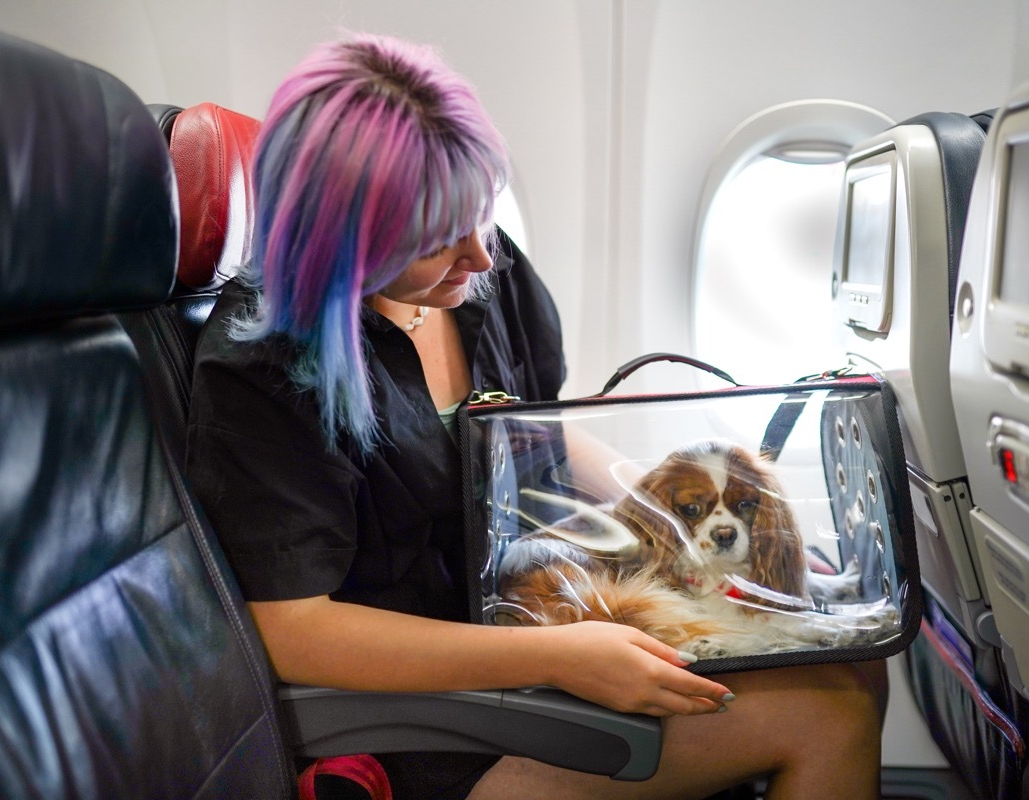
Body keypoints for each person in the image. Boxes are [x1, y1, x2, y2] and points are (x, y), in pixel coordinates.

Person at [184, 32, 888, 800]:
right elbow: (296, 633)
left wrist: (683, 528)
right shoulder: (266, 369)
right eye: (434, 242)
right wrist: (561, 659)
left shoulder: (484, 276)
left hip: (539, 616)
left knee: (850, 649)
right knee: (834, 711)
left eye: (478, 217)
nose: (480, 257)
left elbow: (536, 435)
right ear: (345, 246)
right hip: (425, 710)